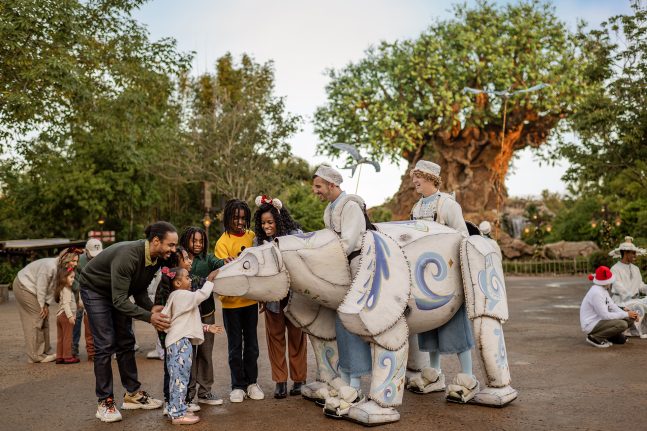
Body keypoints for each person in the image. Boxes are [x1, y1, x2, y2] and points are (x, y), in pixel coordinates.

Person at [79, 221, 176, 423]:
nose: (173, 250)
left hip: (118, 293)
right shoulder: (129, 255)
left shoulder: (156, 258)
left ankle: (132, 394)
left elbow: (138, 288)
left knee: (126, 342)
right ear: (156, 241)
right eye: (171, 245)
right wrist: (150, 317)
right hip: (95, 289)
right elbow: (119, 301)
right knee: (105, 344)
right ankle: (104, 401)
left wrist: (151, 307)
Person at [407, 160, 479, 403]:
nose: (414, 181)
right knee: (429, 326)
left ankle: (468, 376)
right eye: (414, 177)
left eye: (418, 176)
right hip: (423, 277)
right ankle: (434, 374)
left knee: (455, 326)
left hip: (447, 276)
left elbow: (462, 235)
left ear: (430, 178)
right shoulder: (416, 207)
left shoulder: (448, 204)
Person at [312, 164, 372, 410]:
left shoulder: (350, 207)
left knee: (352, 322)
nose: (316, 191)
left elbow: (347, 242)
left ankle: (356, 385)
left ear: (332, 184)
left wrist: (324, 261)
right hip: (339, 269)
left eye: (318, 186)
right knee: (340, 323)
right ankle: (346, 381)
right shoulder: (329, 210)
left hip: (357, 268)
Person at [253, 195, 308, 399]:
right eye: (263, 223)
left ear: (279, 219)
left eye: (270, 222)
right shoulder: (258, 241)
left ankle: (300, 379)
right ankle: (280, 381)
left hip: (294, 297)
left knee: (297, 338)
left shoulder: (295, 236)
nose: (266, 226)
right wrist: (260, 296)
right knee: (275, 339)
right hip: (272, 298)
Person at [161, 267, 224, 425]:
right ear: (177, 282)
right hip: (180, 343)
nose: (190, 280)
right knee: (180, 378)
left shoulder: (177, 297)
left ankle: (177, 408)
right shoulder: (182, 295)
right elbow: (202, 295)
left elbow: (186, 321)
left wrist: (207, 327)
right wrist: (209, 280)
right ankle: (178, 415)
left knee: (179, 377)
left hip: (179, 342)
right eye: (187, 277)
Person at [215, 199, 263, 403]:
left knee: (252, 345)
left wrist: (260, 294)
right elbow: (223, 275)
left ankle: (252, 383)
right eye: (236, 218)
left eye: (244, 218)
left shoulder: (253, 237)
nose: (240, 222)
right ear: (228, 218)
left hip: (250, 302)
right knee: (235, 346)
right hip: (231, 305)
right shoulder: (222, 242)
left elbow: (260, 268)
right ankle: (237, 386)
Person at [179, 227, 227, 407]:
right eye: (194, 241)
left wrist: (221, 267)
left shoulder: (207, 259)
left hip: (207, 313)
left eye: (201, 241)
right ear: (186, 241)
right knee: (189, 353)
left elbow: (222, 263)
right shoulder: (180, 260)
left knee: (206, 352)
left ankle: (205, 392)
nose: (198, 244)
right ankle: (188, 394)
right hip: (187, 315)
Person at [154, 247, 201, 415]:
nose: (189, 261)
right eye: (185, 259)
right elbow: (160, 315)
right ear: (176, 264)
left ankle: (181, 401)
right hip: (174, 337)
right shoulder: (168, 287)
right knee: (173, 371)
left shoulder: (189, 280)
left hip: (182, 334)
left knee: (181, 370)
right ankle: (171, 402)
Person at [13, 248, 80, 363]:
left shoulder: (60, 269)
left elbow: (52, 288)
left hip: (35, 290)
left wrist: (46, 304)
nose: (75, 264)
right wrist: (41, 305)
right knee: (37, 318)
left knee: (44, 317)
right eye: (73, 260)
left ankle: (45, 351)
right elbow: (42, 286)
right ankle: (35, 356)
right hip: (24, 286)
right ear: (65, 258)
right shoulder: (50, 267)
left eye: (76, 261)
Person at [580, 265, 638, 348]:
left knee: (631, 319)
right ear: (606, 282)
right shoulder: (596, 293)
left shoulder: (603, 289)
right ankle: (595, 338)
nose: (611, 283)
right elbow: (605, 315)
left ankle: (609, 336)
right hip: (591, 324)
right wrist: (626, 314)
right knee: (622, 324)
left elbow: (612, 306)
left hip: (600, 321)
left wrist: (628, 313)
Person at [609, 236, 647, 337]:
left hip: (634, 300)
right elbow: (619, 288)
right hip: (621, 301)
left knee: (641, 303)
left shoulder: (635, 269)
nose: (635, 255)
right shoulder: (615, 269)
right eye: (633, 253)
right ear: (625, 253)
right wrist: (635, 299)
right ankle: (630, 329)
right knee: (640, 305)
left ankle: (637, 328)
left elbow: (640, 286)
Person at [71, 238, 102, 360]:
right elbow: (73, 280)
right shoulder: (78, 261)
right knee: (76, 318)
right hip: (78, 292)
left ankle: (94, 351)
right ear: (86, 251)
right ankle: (73, 348)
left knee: (93, 322)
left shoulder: (103, 258)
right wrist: (80, 296)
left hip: (96, 293)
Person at [55, 265, 81, 364]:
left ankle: (59, 356)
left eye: (74, 277)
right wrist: (70, 316)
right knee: (67, 337)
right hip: (66, 317)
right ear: (63, 278)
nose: (73, 280)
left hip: (59, 316)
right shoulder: (66, 290)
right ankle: (67, 356)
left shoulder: (62, 289)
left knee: (60, 337)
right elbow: (66, 304)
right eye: (71, 277)